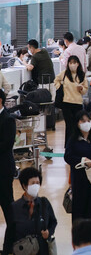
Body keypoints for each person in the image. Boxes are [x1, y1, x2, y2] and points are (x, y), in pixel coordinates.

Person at [8, 167, 57, 255]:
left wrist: (49, 232)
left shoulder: (44, 203)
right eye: (32, 183)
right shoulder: (15, 207)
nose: (36, 186)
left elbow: (53, 222)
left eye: (38, 183)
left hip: (42, 251)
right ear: (24, 185)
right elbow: (10, 234)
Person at [55, 55, 89, 143]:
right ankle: (69, 145)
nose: (72, 65)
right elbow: (56, 80)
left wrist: (81, 89)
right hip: (66, 103)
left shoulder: (82, 75)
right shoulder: (64, 73)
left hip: (78, 103)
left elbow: (85, 90)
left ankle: (77, 144)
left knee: (77, 125)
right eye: (70, 63)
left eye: (74, 63)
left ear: (78, 64)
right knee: (69, 125)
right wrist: (59, 87)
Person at [0, 88, 15, 254]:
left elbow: (6, 145)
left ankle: (9, 247)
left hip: (3, 171)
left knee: (8, 209)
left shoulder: (8, 119)